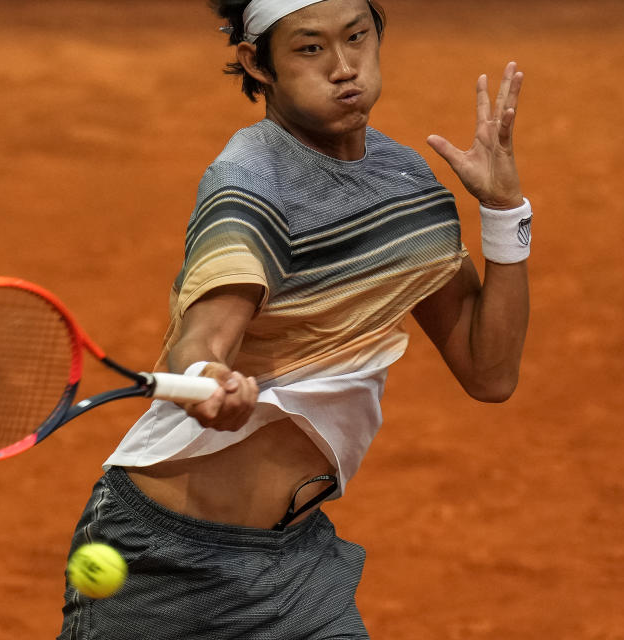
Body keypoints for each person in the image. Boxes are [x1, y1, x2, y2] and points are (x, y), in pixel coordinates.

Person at [58, 0, 531, 637]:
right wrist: (205, 379)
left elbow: (489, 372)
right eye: (310, 49)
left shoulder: (405, 186)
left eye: (357, 37)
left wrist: (504, 214)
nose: (344, 68)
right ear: (259, 63)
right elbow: (206, 334)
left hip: (301, 561)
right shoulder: (251, 184)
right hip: (168, 565)